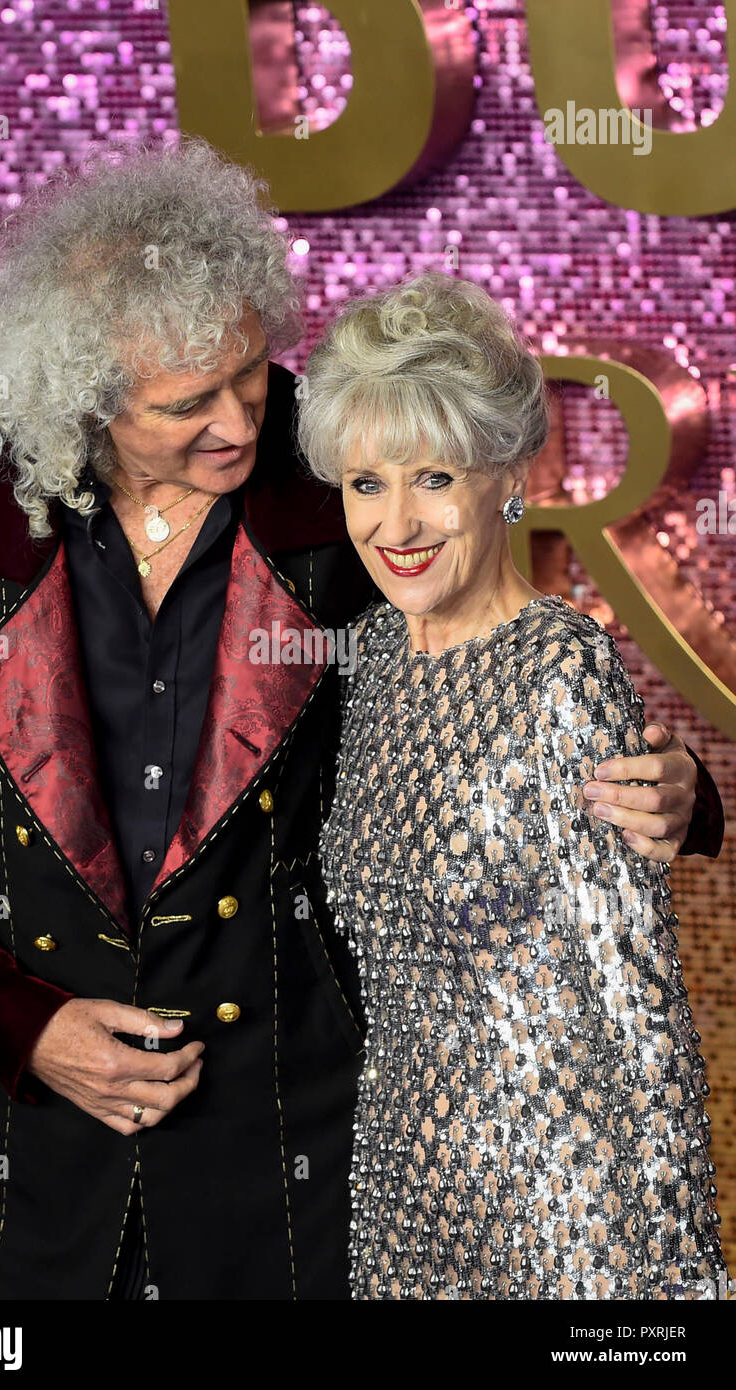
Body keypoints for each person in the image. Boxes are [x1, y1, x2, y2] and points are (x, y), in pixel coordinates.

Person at [0, 140, 724, 1300]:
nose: (235, 423)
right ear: (80, 390)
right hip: (27, 1151)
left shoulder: (335, 468)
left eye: (248, 373)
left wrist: (676, 791)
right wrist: (20, 1020)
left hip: (286, 1138)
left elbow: (489, 666)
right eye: (183, 404)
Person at [299, 272, 730, 1300]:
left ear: (504, 474)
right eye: (366, 483)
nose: (395, 523)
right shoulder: (362, 661)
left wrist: (676, 1285)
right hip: (400, 1188)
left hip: (563, 1206)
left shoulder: (559, 671)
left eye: (433, 478)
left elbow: (638, 1008)